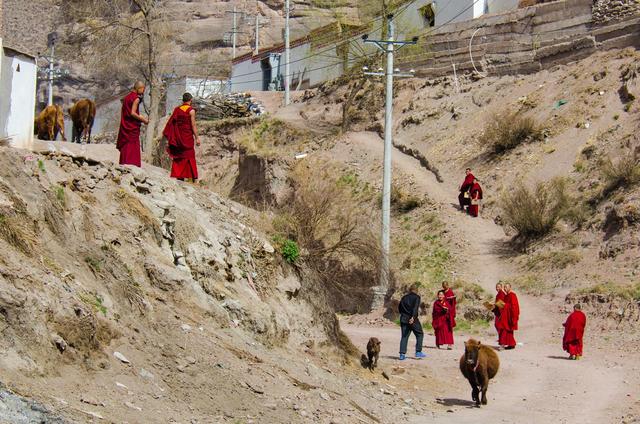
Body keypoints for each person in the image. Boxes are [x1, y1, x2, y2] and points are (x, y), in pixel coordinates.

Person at [163, 92, 201, 181]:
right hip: (187, 137)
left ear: (183, 100)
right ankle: (190, 178)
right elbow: (193, 125)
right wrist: (197, 137)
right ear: (190, 100)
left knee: (179, 156)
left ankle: (179, 176)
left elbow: (171, 123)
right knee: (189, 155)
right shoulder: (191, 111)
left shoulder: (177, 109)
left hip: (178, 138)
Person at [116, 81, 148, 167]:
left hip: (126, 124)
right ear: (139, 88)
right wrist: (143, 120)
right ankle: (132, 163)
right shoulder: (136, 98)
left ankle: (124, 162)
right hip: (132, 126)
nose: (143, 91)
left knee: (126, 145)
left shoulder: (127, 97)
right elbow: (133, 113)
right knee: (132, 145)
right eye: (143, 89)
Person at [398, 284, 427, 360]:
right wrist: (413, 317)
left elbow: (399, 308)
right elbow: (415, 308)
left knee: (404, 336)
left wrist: (403, 315)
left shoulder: (404, 297)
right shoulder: (417, 297)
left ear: (410, 290)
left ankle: (402, 354)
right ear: (416, 290)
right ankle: (418, 352)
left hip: (403, 318)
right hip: (412, 319)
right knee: (420, 334)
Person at [498, 283, 520, 350]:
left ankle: (502, 345)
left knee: (504, 330)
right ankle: (511, 344)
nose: (505, 289)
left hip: (510, 316)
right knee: (507, 331)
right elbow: (504, 305)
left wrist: (506, 305)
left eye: (506, 287)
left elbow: (514, 306)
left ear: (510, 287)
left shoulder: (513, 295)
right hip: (506, 316)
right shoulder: (506, 296)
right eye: (504, 287)